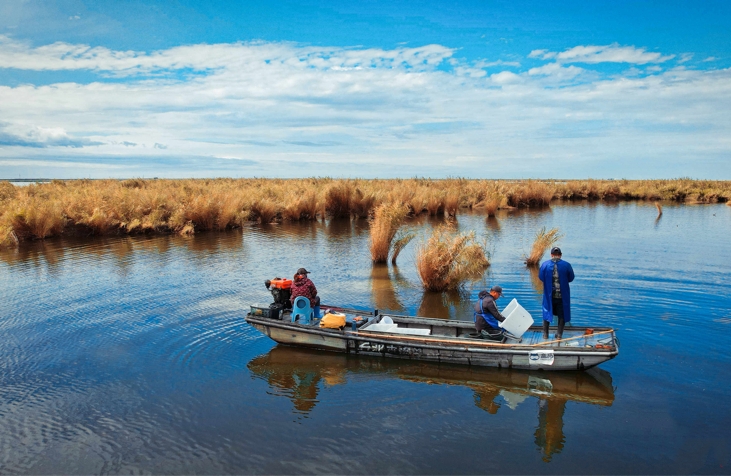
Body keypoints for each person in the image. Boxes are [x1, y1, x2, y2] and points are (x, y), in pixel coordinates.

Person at [539, 247, 575, 339]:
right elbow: (571, 278)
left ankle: (545, 335)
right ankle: (559, 335)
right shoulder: (567, 265)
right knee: (562, 314)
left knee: (546, 312)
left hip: (549, 295)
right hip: (562, 296)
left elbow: (541, 277)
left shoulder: (544, 265)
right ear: (560, 255)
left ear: (551, 255)